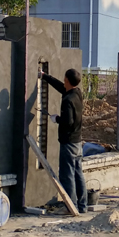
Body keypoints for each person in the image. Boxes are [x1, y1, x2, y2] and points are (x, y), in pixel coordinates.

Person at [39, 68, 87, 214]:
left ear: (67, 80)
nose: (63, 81)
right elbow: (62, 87)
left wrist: (57, 119)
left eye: (64, 79)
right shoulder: (77, 93)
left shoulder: (67, 100)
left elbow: (68, 121)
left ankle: (70, 206)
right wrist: (45, 76)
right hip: (77, 142)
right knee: (78, 173)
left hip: (68, 143)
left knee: (67, 175)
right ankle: (82, 205)